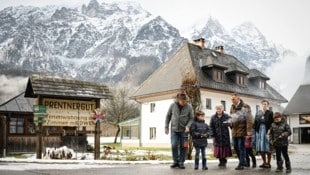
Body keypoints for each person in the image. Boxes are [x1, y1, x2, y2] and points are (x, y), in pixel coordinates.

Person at [165, 93, 194, 169]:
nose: (184, 103)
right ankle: (175, 161)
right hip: (174, 130)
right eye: (182, 101)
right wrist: (166, 127)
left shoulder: (189, 107)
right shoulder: (173, 105)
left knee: (183, 146)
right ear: (178, 100)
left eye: (185, 101)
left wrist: (188, 126)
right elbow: (168, 116)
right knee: (174, 144)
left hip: (184, 130)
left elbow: (191, 118)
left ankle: (181, 162)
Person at [230, 93, 253, 170]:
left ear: (238, 98)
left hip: (242, 130)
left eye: (233, 99)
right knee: (236, 147)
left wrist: (249, 130)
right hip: (234, 131)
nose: (232, 101)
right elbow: (232, 118)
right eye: (231, 99)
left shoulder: (245, 106)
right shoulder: (232, 107)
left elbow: (249, 119)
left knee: (241, 147)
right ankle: (243, 161)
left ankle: (241, 164)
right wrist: (229, 123)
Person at [253, 99, 274, 168]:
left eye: (265, 104)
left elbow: (273, 123)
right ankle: (264, 162)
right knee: (260, 148)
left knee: (267, 147)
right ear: (261, 105)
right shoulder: (258, 112)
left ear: (267, 105)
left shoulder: (270, 113)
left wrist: (270, 130)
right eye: (263, 104)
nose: (264, 105)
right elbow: (255, 123)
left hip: (266, 131)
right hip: (259, 131)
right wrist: (255, 131)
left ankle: (268, 163)